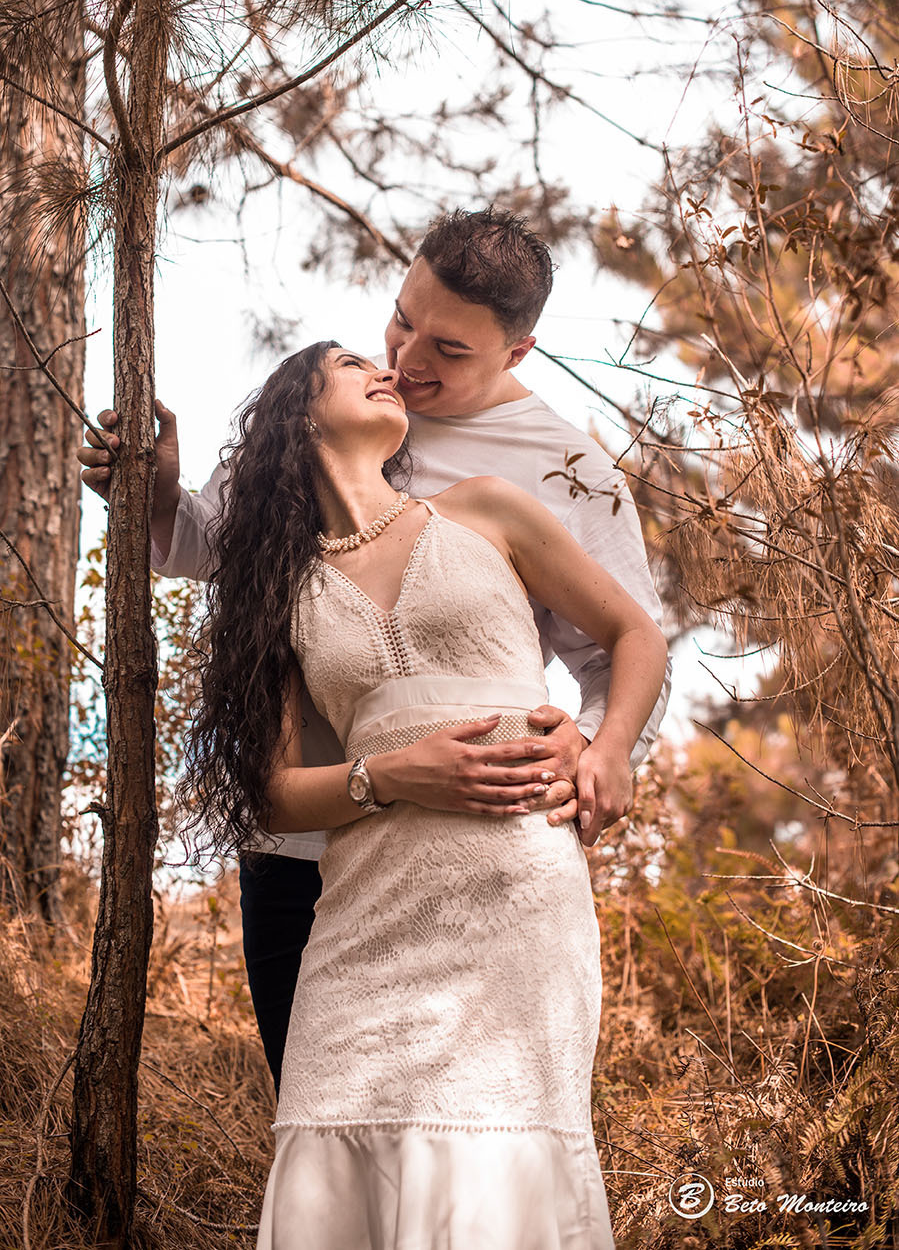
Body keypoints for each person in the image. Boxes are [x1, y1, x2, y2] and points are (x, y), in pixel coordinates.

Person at [77, 208, 672, 1094]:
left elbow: (621, 647)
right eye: (402, 319)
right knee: (323, 1115)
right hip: (303, 845)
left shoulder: (563, 468)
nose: (406, 359)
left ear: (516, 352)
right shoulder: (331, 410)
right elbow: (220, 550)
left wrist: (598, 744)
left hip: (467, 848)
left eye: (449, 350)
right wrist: (159, 496)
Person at [178, 339, 669, 1248]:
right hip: (364, 918)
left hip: (513, 895)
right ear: (298, 410)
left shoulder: (485, 509)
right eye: (350, 361)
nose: (385, 366)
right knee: (335, 1150)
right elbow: (272, 795)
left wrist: (609, 747)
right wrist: (385, 775)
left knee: (498, 1159)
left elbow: (632, 630)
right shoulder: (279, 589)